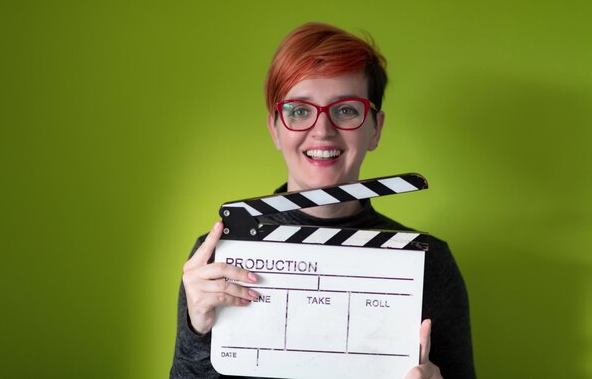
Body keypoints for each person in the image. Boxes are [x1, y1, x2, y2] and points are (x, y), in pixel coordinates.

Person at [170, 22, 475, 379]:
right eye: (299, 110)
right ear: (275, 128)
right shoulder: (217, 258)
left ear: (375, 128)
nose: (322, 130)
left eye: (346, 109)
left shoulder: (430, 261)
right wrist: (197, 332)